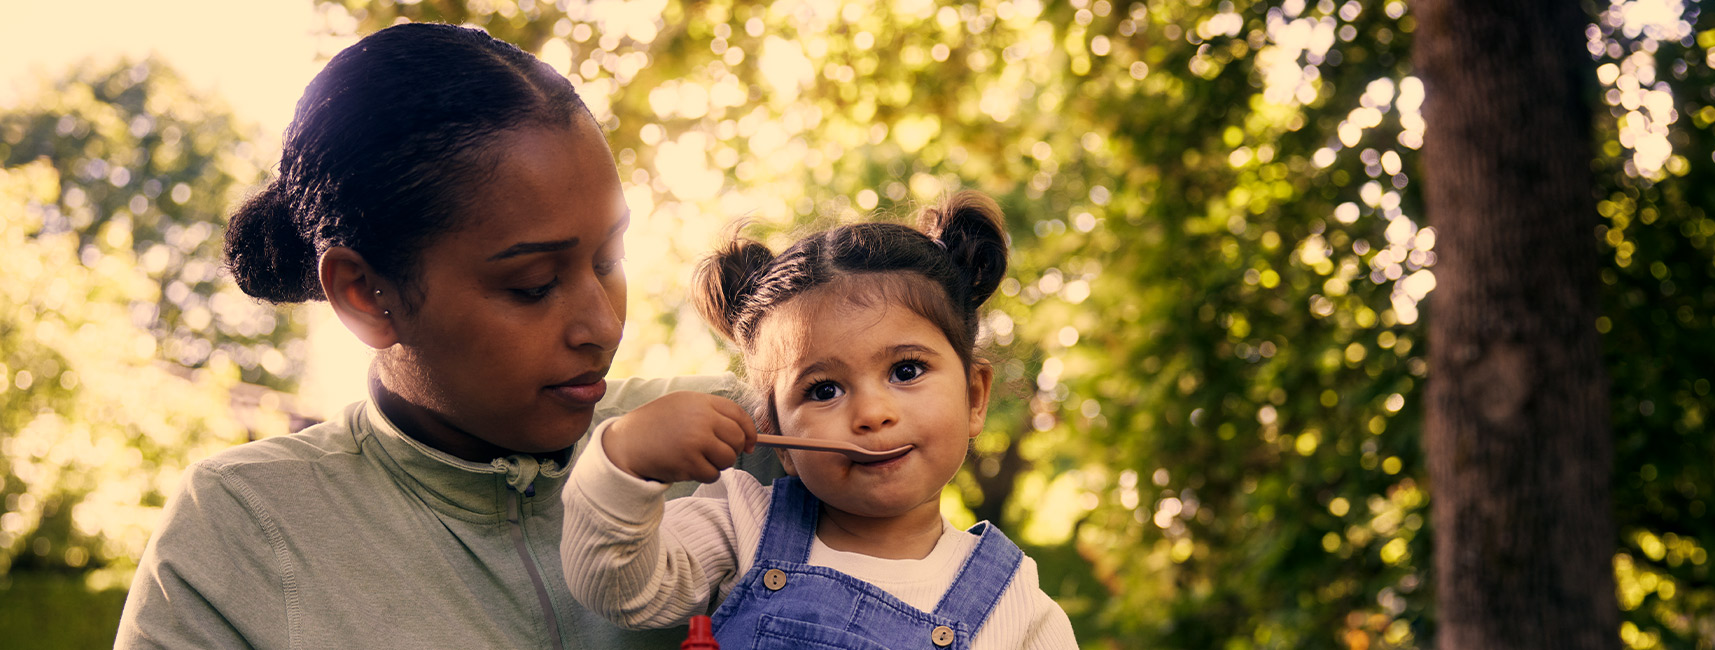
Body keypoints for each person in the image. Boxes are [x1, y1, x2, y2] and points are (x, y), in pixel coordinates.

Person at [114, 23, 778, 649]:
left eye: (609, 260)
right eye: (533, 284)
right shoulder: (240, 530)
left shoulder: (747, 442)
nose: (603, 324)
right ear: (364, 293)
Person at [560, 192, 1079, 648]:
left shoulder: (1017, 609)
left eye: (906, 370)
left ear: (973, 398)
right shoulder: (741, 522)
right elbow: (615, 589)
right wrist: (625, 457)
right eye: (824, 390)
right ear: (781, 437)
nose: (873, 414)